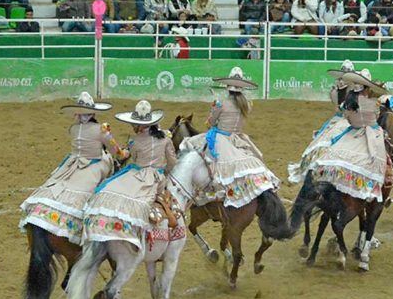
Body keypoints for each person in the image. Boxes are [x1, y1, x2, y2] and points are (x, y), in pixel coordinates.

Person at [20, 93, 127, 244]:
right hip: (94, 164)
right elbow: (117, 152)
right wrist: (125, 153)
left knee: (57, 181)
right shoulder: (101, 129)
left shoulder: (74, 129)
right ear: (93, 112)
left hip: (71, 163)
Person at [82, 100, 176, 249]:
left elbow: (128, 157)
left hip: (138, 173)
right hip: (158, 177)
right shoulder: (165, 137)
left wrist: (115, 144)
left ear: (139, 125)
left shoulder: (134, 141)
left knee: (114, 184)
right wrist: (164, 173)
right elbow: (172, 161)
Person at [181, 67, 279, 208]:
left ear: (228, 86)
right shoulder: (246, 105)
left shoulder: (222, 104)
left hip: (221, 138)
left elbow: (211, 123)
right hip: (238, 138)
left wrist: (213, 109)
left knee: (199, 156)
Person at [300, 69, 392, 202]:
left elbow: (347, 118)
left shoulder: (347, 103)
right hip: (371, 134)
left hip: (351, 131)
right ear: (366, 88)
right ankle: (379, 189)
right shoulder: (373, 103)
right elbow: (376, 118)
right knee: (384, 158)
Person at [288, 60, 357, 184]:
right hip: (342, 119)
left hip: (345, 118)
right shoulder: (339, 91)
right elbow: (339, 109)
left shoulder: (348, 90)